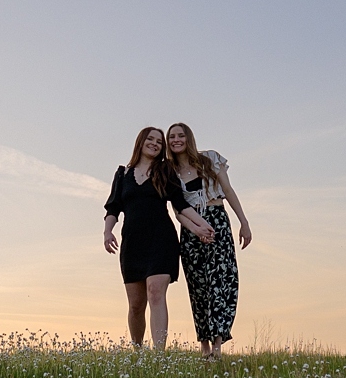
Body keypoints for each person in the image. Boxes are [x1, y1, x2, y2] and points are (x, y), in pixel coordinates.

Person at [103, 126, 214, 348]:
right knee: (136, 305)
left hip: (161, 241)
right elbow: (113, 207)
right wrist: (108, 232)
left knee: (155, 292)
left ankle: (159, 356)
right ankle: (137, 351)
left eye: (159, 142)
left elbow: (181, 205)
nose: (155, 143)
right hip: (132, 244)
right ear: (141, 142)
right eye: (150, 139)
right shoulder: (122, 174)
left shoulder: (165, 171)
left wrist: (203, 225)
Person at [164, 123, 250, 356]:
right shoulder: (170, 171)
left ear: (189, 138)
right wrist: (196, 229)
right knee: (198, 285)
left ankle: (218, 344)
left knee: (220, 281)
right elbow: (177, 210)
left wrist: (243, 222)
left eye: (180, 135)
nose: (176, 140)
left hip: (217, 221)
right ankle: (203, 346)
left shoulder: (210, 159)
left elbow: (228, 190)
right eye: (171, 137)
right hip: (191, 227)